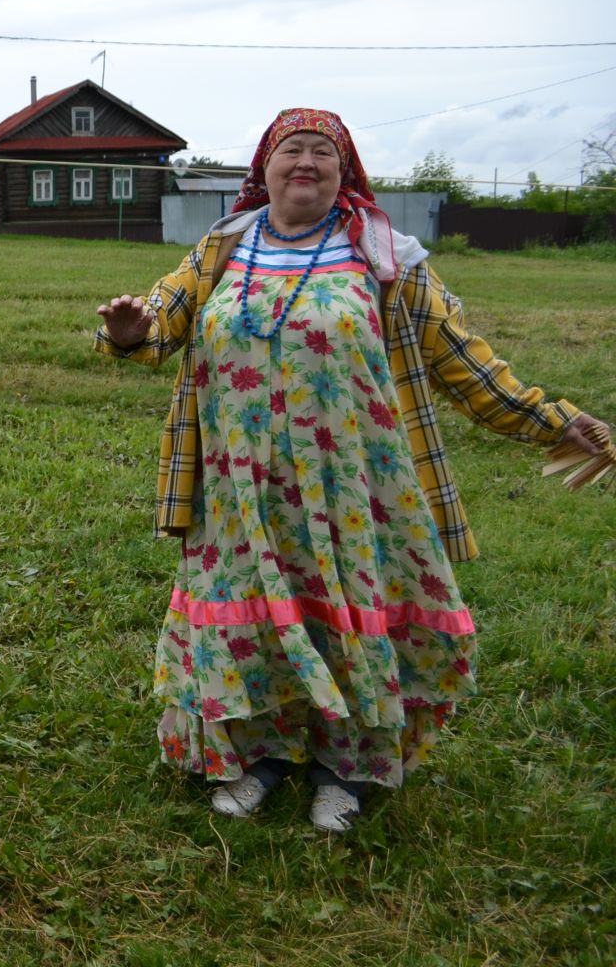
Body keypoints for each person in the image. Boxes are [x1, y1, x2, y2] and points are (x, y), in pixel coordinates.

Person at [95, 108, 607, 832]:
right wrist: (127, 332)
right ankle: (263, 757)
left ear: (345, 172)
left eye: (322, 153)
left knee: (348, 620)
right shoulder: (220, 250)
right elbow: (156, 322)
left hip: (355, 490)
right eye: (290, 150)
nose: (305, 162)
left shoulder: (384, 256)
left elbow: (463, 365)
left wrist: (555, 419)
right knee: (252, 622)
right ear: (264, 169)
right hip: (240, 491)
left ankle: (347, 770)